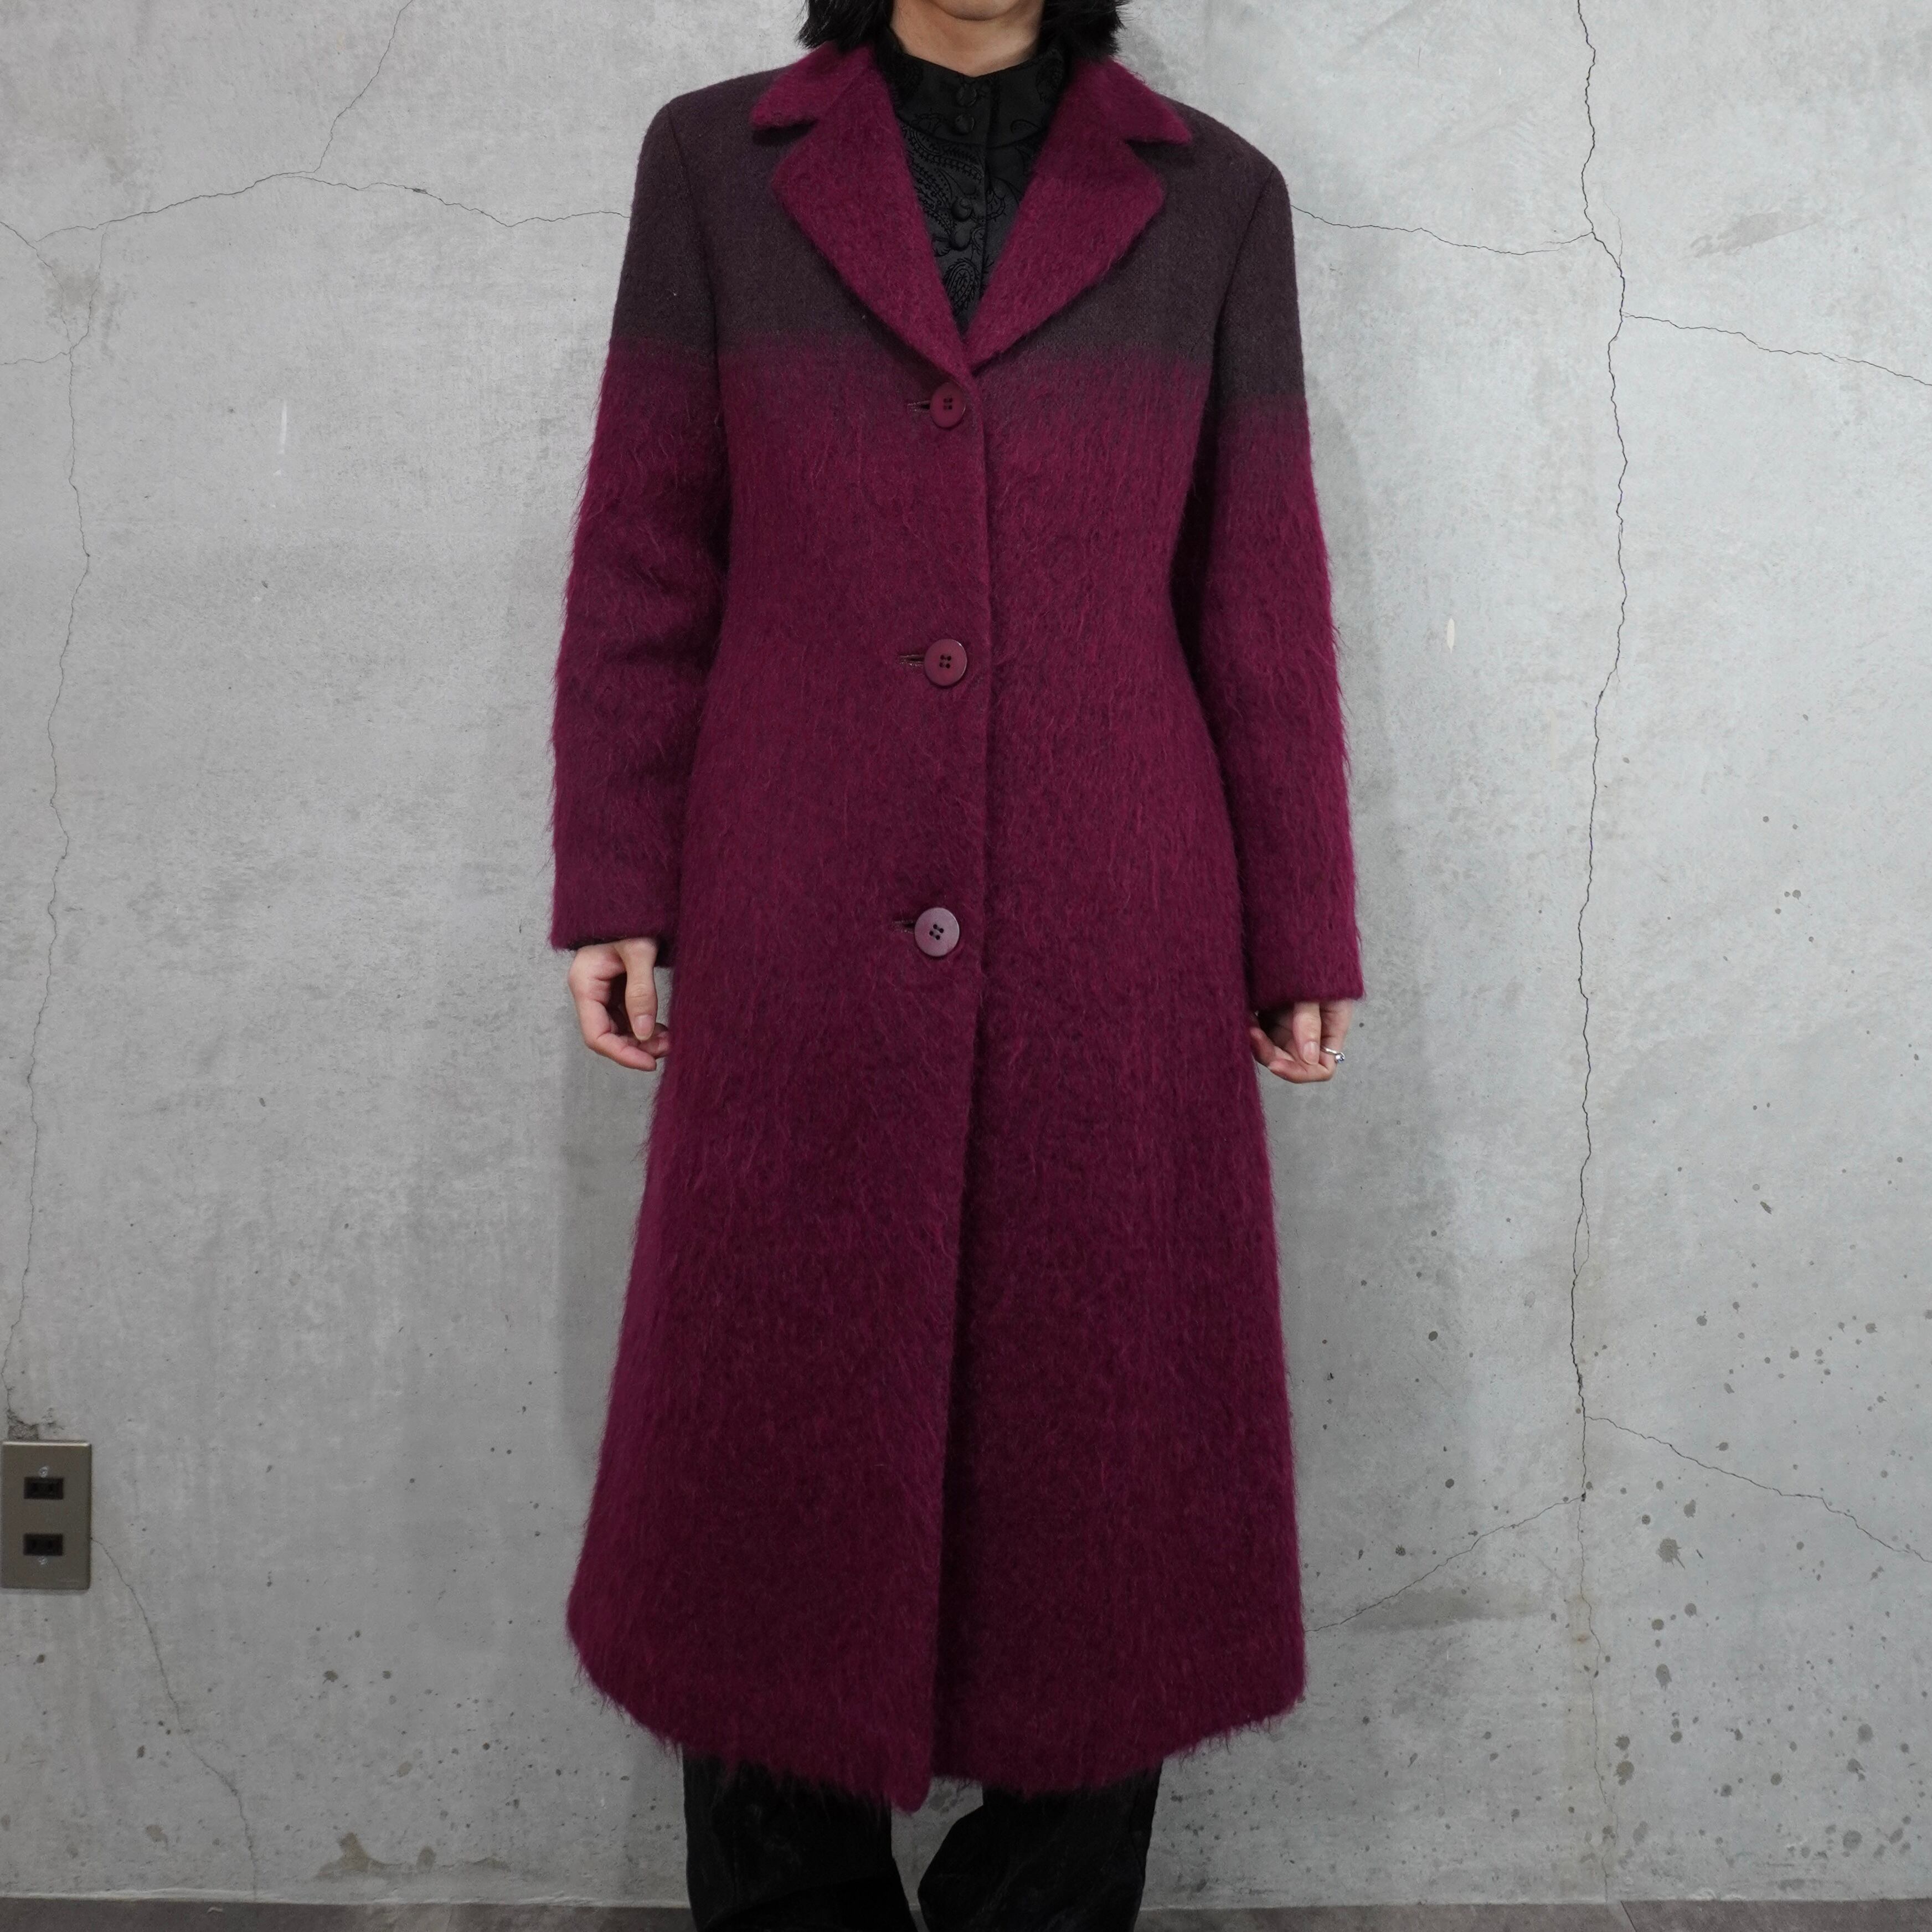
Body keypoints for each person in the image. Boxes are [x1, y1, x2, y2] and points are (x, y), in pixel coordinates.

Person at [548, 0, 1362, 1924]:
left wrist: (1297, 916)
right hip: (794, 899)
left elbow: (1254, 572)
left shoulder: (1215, 198)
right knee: (771, 1455)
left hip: (1115, 916)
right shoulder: (717, 164)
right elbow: (651, 538)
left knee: (1106, 1478)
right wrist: (615, 875)